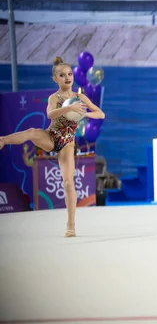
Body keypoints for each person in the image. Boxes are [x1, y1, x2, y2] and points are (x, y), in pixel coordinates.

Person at [0, 57, 105, 237]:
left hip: (67, 144)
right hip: (52, 136)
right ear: (55, 79)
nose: (67, 78)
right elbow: (50, 114)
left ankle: (70, 225)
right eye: (62, 75)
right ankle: (3, 140)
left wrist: (84, 112)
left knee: (68, 183)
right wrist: (66, 109)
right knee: (32, 131)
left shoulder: (79, 97)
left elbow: (100, 114)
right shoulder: (54, 97)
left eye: (70, 74)